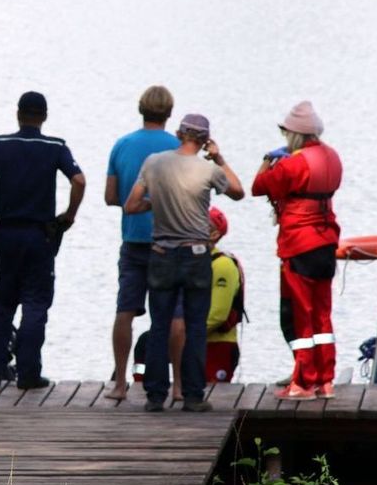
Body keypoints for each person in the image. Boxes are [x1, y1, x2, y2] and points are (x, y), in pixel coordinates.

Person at [0, 91, 86, 389]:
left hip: (4, 234)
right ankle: (28, 373)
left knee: (3, 300)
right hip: (39, 236)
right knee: (35, 303)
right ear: (44, 117)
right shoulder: (55, 147)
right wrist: (69, 214)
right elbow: (79, 181)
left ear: (18, 114)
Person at [124, 114, 244, 412]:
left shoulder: (154, 163)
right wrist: (219, 158)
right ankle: (192, 395)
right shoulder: (207, 169)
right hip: (197, 256)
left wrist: (157, 201)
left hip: (162, 255)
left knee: (160, 324)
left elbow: (131, 205)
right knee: (194, 326)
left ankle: (154, 396)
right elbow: (238, 191)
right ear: (204, 141)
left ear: (179, 134)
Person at [252, 101, 343, 400]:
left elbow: (258, 186)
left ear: (294, 134)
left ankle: (303, 383)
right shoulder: (332, 158)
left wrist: (268, 160)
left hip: (299, 244)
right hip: (327, 241)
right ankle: (325, 381)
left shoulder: (292, 163)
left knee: (302, 314)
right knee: (322, 315)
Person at [103, 86, 186, 401]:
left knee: (125, 310)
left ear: (141, 109)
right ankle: (177, 385)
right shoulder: (179, 148)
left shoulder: (122, 145)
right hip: (171, 242)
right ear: (169, 112)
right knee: (174, 315)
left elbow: (111, 197)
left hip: (134, 240)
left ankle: (120, 384)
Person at [205, 206, 244, 383]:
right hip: (196, 342)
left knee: (213, 395)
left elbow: (218, 315)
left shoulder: (223, 265)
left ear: (214, 235)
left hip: (218, 345)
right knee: (146, 343)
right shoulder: (195, 261)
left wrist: (185, 334)